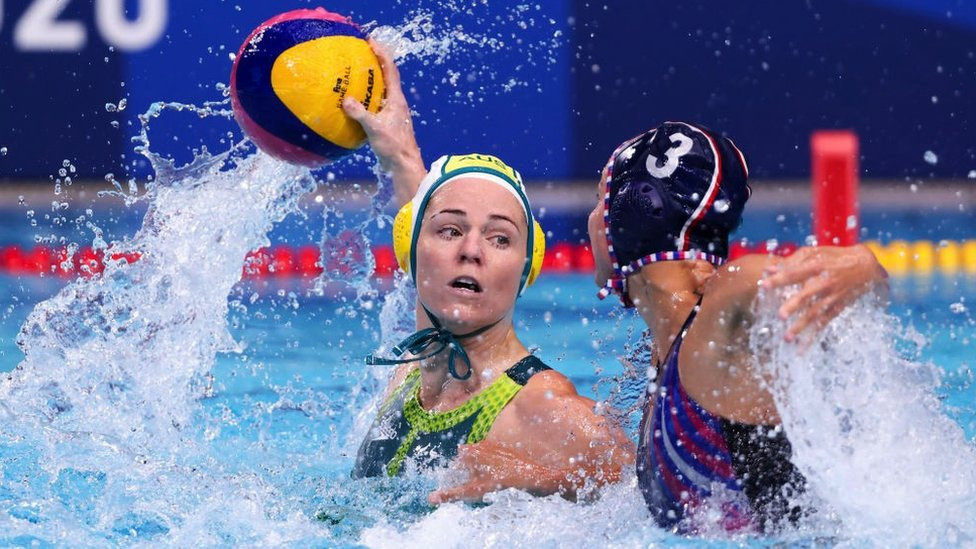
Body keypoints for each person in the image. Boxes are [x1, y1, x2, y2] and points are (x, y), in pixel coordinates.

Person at [342, 49, 633, 503]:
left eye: (500, 239)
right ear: (413, 254)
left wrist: (538, 480)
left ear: (524, 269)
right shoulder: (412, 372)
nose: (471, 251)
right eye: (451, 231)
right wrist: (400, 155)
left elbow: (648, 491)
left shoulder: (538, 404)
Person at [586, 122, 888, 532]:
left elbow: (758, 283)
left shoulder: (718, 324)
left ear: (631, 212)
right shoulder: (667, 353)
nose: (592, 219)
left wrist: (864, 267)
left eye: (598, 201)